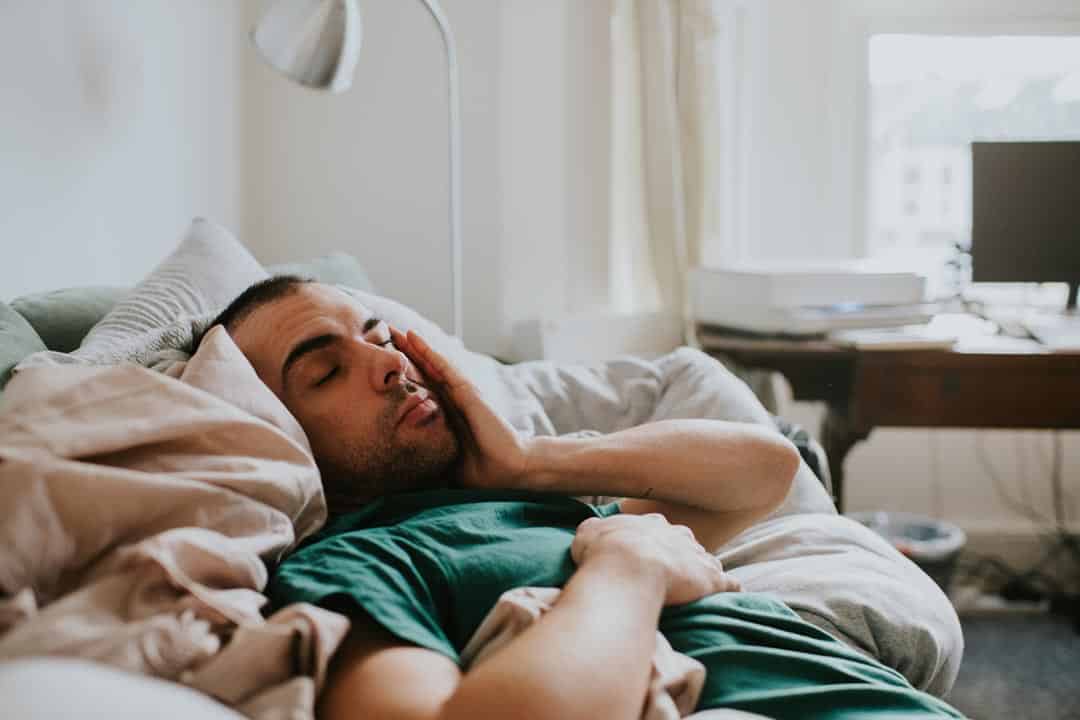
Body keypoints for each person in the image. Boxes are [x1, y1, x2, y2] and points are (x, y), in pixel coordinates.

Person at [210, 276, 964, 720]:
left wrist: (529, 462)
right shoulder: (353, 566)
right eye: (324, 372)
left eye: (380, 337)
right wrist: (630, 569)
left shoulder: (526, 508)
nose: (385, 365)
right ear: (277, 428)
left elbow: (766, 471)